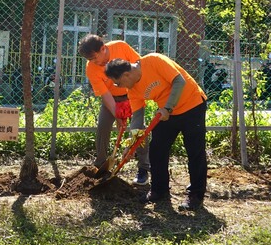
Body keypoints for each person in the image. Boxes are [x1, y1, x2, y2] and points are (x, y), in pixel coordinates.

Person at [105, 53, 208, 211]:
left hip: (192, 105)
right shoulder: (132, 90)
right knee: (157, 149)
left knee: (195, 151)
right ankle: (159, 190)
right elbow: (137, 120)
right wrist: (130, 144)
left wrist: (167, 107)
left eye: (118, 83)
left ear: (126, 74)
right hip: (167, 114)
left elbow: (179, 81)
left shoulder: (154, 61)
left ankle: (196, 195)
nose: (119, 87)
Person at [78, 34, 150, 185]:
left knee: (138, 130)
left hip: (133, 94)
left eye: (96, 58)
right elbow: (105, 95)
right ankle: (101, 164)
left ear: (103, 48)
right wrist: (118, 115)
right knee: (103, 127)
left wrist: (135, 97)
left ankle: (143, 168)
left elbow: (140, 68)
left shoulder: (121, 47)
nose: (95, 62)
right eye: (91, 60)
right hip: (112, 99)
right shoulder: (91, 69)